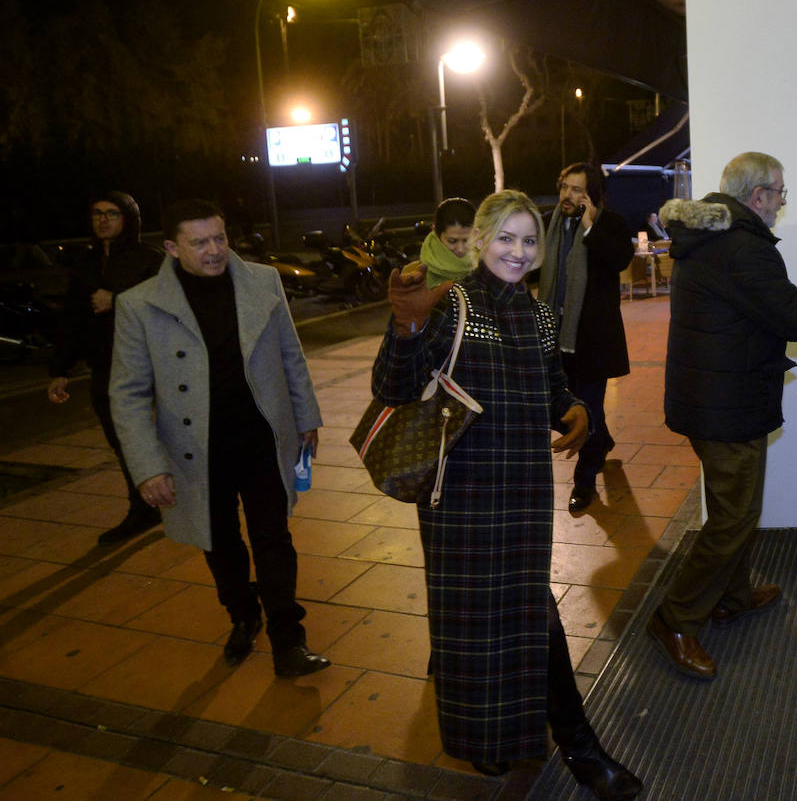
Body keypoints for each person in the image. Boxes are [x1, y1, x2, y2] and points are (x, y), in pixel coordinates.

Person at [373, 190, 641, 799]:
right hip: (461, 495)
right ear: (478, 242)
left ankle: (513, 741)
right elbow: (393, 386)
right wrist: (407, 326)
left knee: (516, 621)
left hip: (521, 494)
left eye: (528, 241)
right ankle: (575, 746)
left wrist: (572, 407)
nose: (518, 253)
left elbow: (550, 386)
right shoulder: (450, 305)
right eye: (505, 239)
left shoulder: (539, 314)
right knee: (494, 625)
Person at [648, 152, 797, 680]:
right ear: (758, 196)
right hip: (726, 406)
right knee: (732, 518)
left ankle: (731, 596)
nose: (781, 203)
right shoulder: (743, 249)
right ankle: (674, 618)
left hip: (717, 399)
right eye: (779, 193)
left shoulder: (711, 239)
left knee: (740, 511)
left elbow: (766, 314)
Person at [110, 199, 330, 677]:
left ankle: (289, 640)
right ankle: (242, 613)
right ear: (172, 247)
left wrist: (306, 416)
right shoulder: (139, 305)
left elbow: (291, 355)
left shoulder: (262, 281)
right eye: (200, 242)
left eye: (220, 238)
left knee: (274, 536)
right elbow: (126, 394)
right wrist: (148, 466)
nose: (214, 250)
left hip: (260, 437)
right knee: (220, 544)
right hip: (196, 450)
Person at [48, 193, 165, 544]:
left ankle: (185, 499)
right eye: (97, 213)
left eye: (112, 214)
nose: (103, 220)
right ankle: (143, 508)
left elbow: (169, 307)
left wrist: (117, 300)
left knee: (163, 437)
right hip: (105, 368)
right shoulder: (85, 264)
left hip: (148, 368)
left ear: (128, 218)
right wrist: (61, 369)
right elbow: (72, 320)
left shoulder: (150, 260)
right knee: (122, 442)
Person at [536, 163, 636, 513]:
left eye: (578, 190)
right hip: (553, 337)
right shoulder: (549, 224)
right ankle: (602, 440)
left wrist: (591, 228)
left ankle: (584, 481)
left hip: (590, 341)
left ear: (592, 196)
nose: (569, 195)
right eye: (565, 187)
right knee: (558, 410)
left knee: (588, 409)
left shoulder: (610, 224)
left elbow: (621, 258)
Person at [409, 196, 477, 286]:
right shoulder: (413, 275)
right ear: (436, 233)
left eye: (467, 240)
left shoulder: (490, 267)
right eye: (452, 241)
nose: (460, 249)